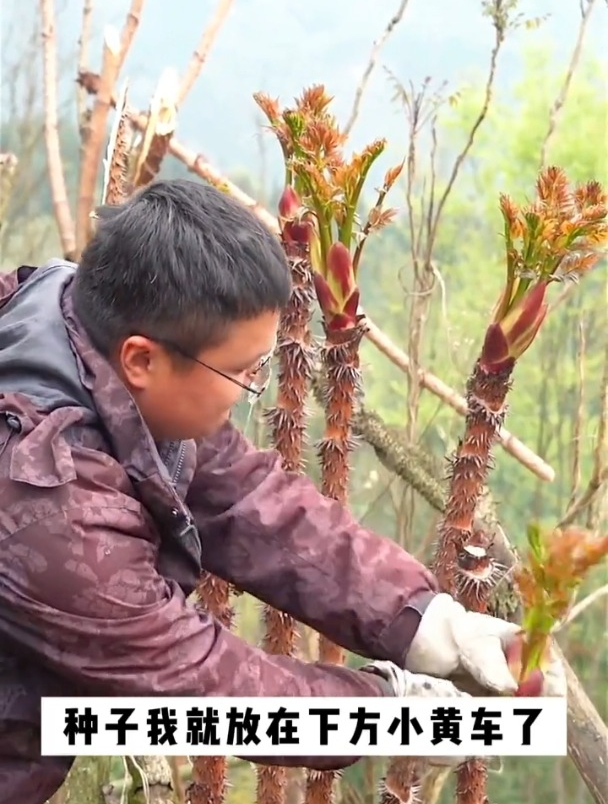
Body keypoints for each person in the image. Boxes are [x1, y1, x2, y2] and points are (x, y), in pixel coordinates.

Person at [0, 179, 564, 803]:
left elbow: (247, 500)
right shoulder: (44, 505)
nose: (252, 389)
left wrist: (425, 621)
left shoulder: (73, 324)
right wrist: (389, 708)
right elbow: (200, 684)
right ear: (142, 359)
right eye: (241, 372)